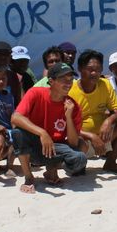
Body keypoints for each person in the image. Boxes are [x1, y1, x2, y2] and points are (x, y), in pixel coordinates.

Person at [11, 62, 88, 193]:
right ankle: (29, 177)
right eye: (63, 79)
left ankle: (51, 170)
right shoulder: (36, 93)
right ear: (51, 81)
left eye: (70, 79)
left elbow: (74, 143)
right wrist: (42, 133)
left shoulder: (72, 105)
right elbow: (15, 118)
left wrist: (68, 116)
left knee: (80, 158)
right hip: (34, 146)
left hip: (55, 148)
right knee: (17, 133)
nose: (68, 83)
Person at [69, 49, 117, 175]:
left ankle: (110, 162)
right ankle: (79, 163)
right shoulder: (70, 90)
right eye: (90, 69)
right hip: (81, 138)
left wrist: (108, 121)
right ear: (80, 69)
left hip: (103, 136)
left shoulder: (105, 84)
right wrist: (91, 136)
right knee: (77, 170)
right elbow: (65, 125)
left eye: (98, 69)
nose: (94, 73)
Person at [0, 41, 23, 106]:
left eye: (6, 54)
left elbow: (18, 100)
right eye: (0, 54)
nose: (3, 57)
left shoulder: (14, 76)